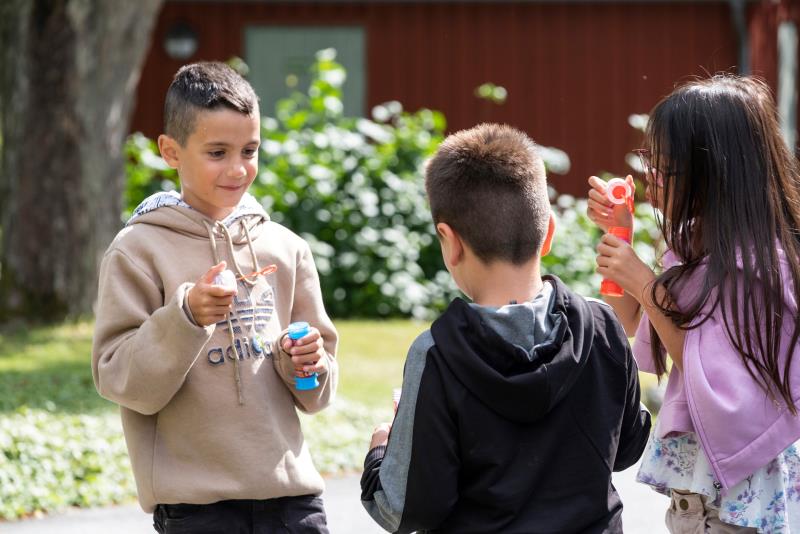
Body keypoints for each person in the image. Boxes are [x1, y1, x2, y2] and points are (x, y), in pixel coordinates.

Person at [360, 123, 652, 533]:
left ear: (450, 241)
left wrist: (380, 451)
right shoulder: (603, 326)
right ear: (548, 231)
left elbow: (406, 508)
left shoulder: (438, 355)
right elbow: (628, 446)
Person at [91, 61, 338, 534]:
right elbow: (118, 377)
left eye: (250, 149)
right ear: (171, 151)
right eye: (218, 152)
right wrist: (185, 317)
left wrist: (307, 362)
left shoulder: (286, 249)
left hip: (291, 499)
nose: (238, 168)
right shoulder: (138, 250)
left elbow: (317, 394)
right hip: (196, 508)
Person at [587, 74, 800, 532]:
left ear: (716, 172)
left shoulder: (758, 266)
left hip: (744, 496)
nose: (652, 178)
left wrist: (644, 283)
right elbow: (634, 321)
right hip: (703, 488)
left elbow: (709, 368)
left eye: (665, 167)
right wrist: (620, 231)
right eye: (650, 161)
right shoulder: (694, 246)